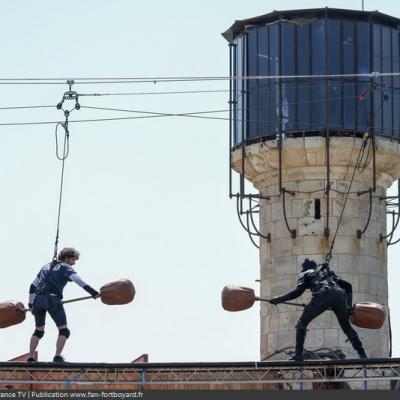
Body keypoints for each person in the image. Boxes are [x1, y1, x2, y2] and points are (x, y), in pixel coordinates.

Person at [269, 258, 367, 361]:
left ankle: (298, 355)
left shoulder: (306, 274)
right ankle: (362, 354)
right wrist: (348, 307)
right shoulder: (328, 274)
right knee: (347, 328)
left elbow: (297, 292)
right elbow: (348, 286)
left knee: (301, 323)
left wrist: (278, 299)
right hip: (339, 295)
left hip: (322, 295)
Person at [27, 247, 99, 363]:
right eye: (73, 259)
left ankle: (30, 358)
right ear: (66, 258)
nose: (74, 263)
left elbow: (32, 286)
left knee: (38, 331)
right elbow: (77, 280)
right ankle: (57, 357)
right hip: (53, 300)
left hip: (38, 300)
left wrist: (30, 305)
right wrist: (93, 292)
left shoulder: (45, 266)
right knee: (64, 331)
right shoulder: (66, 267)